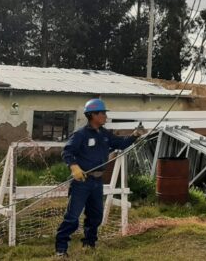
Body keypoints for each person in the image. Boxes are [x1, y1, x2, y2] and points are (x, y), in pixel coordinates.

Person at [55, 98, 141, 257]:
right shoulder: (80, 134)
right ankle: (61, 249)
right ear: (92, 115)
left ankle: (89, 243)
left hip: (97, 182)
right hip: (82, 181)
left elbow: (120, 143)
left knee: (95, 216)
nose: (105, 115)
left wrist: (135, 135)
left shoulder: (105, 134)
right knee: (72, 217)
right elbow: (67, 152)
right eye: (102, 113)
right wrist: (74, 167)